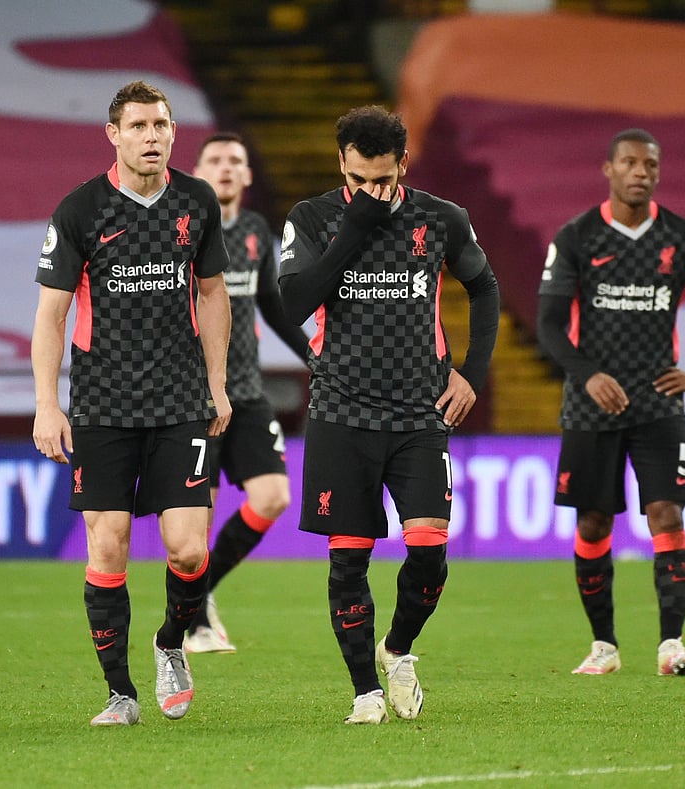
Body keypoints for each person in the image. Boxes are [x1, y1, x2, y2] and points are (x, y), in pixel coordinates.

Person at [278, 106, 500, 724]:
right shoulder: (312, 218)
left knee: (429, 552)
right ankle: (364, 692)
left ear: (403, 164)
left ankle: (397, 650)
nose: (370, 191)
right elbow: (293, 303)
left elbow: (485, 288)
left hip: (419, 412)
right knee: (349, 559)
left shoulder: (442, 218)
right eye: (357, 179)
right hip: (341, 412)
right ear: (340, 164)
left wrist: (472, 374)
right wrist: (354, 227)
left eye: (382, 179)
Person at [32, 81, 233, 726]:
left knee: (188, 551)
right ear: (113, 135)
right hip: (101, 406)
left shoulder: (197, 202)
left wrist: (217, 383)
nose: (152, 136)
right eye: (139, 126)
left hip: (180, 401)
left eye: (161, 125)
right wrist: (46, 404)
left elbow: (213, 295)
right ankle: (121, 693)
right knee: (109, 546)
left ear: (174, 132)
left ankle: (170, 644)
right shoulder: (80, 209)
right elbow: (51, 315)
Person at [537, 128, 685, 677]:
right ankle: (603, 647)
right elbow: (550, 325)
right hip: (592, 407)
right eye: (630, 163)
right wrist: (588, 376)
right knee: (592, 523)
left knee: (666, 513)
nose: (640, 172)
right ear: (608, 169)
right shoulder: (578, 237)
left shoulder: (682, 238)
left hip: (658, 405)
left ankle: (671, 644)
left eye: (650, 165)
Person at [183, 132, 310, 654]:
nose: (226, 167)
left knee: (274, 496)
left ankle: (202, 593)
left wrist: (316, 356)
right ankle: (193, 625)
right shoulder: (184, 228)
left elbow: (272, 305)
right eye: (215, 159)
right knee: (199, 518)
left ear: (248, 174)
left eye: (236, 160)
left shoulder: (257, 229)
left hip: (248, 393)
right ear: (197, 171)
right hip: (194, 397)